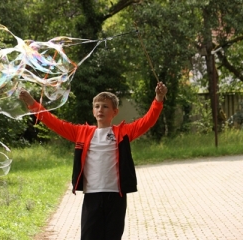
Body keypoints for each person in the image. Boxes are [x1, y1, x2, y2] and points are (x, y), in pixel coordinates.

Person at [19, 82, 167, 240]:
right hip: (92, 196)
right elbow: (54, 122)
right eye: (97, 106)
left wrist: (158, 98)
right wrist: (32, 104)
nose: (100, 109)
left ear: (115, 112)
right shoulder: (81, 132)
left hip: (116, 196)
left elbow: (148, 121)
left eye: (105, 106)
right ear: (93, 111)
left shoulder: (123, 132)